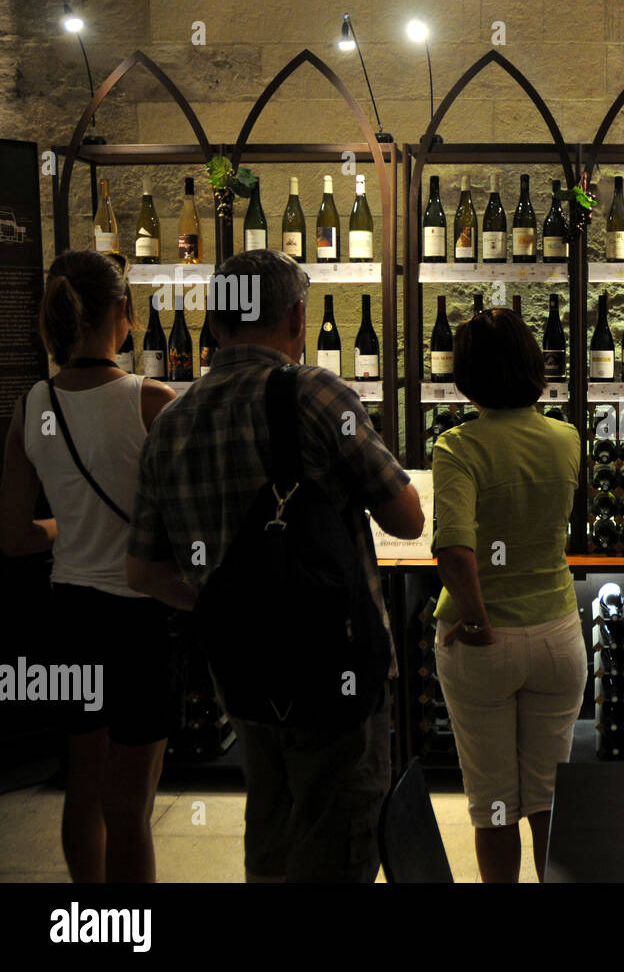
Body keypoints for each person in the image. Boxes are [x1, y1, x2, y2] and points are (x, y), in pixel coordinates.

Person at [123, 249, 424, 883]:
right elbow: (406, 519)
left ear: (214, 322)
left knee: (270, 831)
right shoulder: (313, 392)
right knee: (337, 840)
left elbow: (144, 574)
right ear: (295, 314)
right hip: (333, 671)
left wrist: (230, 602)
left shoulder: (169, 422)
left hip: (242, 674)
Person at [0, 250, 177, 882]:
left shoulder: (32, 404)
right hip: (137, 617)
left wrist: (64, 526)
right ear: (122, 314)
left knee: (84, 786)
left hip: (69, 616)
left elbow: (16, 538)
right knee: (130, 805)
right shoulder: (150, 402)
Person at [431, 308, 584, 884]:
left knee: (493, 799)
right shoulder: (564, 437)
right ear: (532, 366)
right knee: (548, 795)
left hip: (485, 643)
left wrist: (475, 622)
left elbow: (454, 551)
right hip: (557, 635)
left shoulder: (457, 447)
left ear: (466, 373)